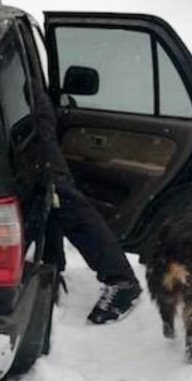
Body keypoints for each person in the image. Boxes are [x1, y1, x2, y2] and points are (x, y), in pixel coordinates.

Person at [30, 75, 142, 325]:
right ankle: (52, 268)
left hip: (30, 124)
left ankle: (122, 281)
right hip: (24, 119)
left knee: (61, 197)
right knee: (50, 199)